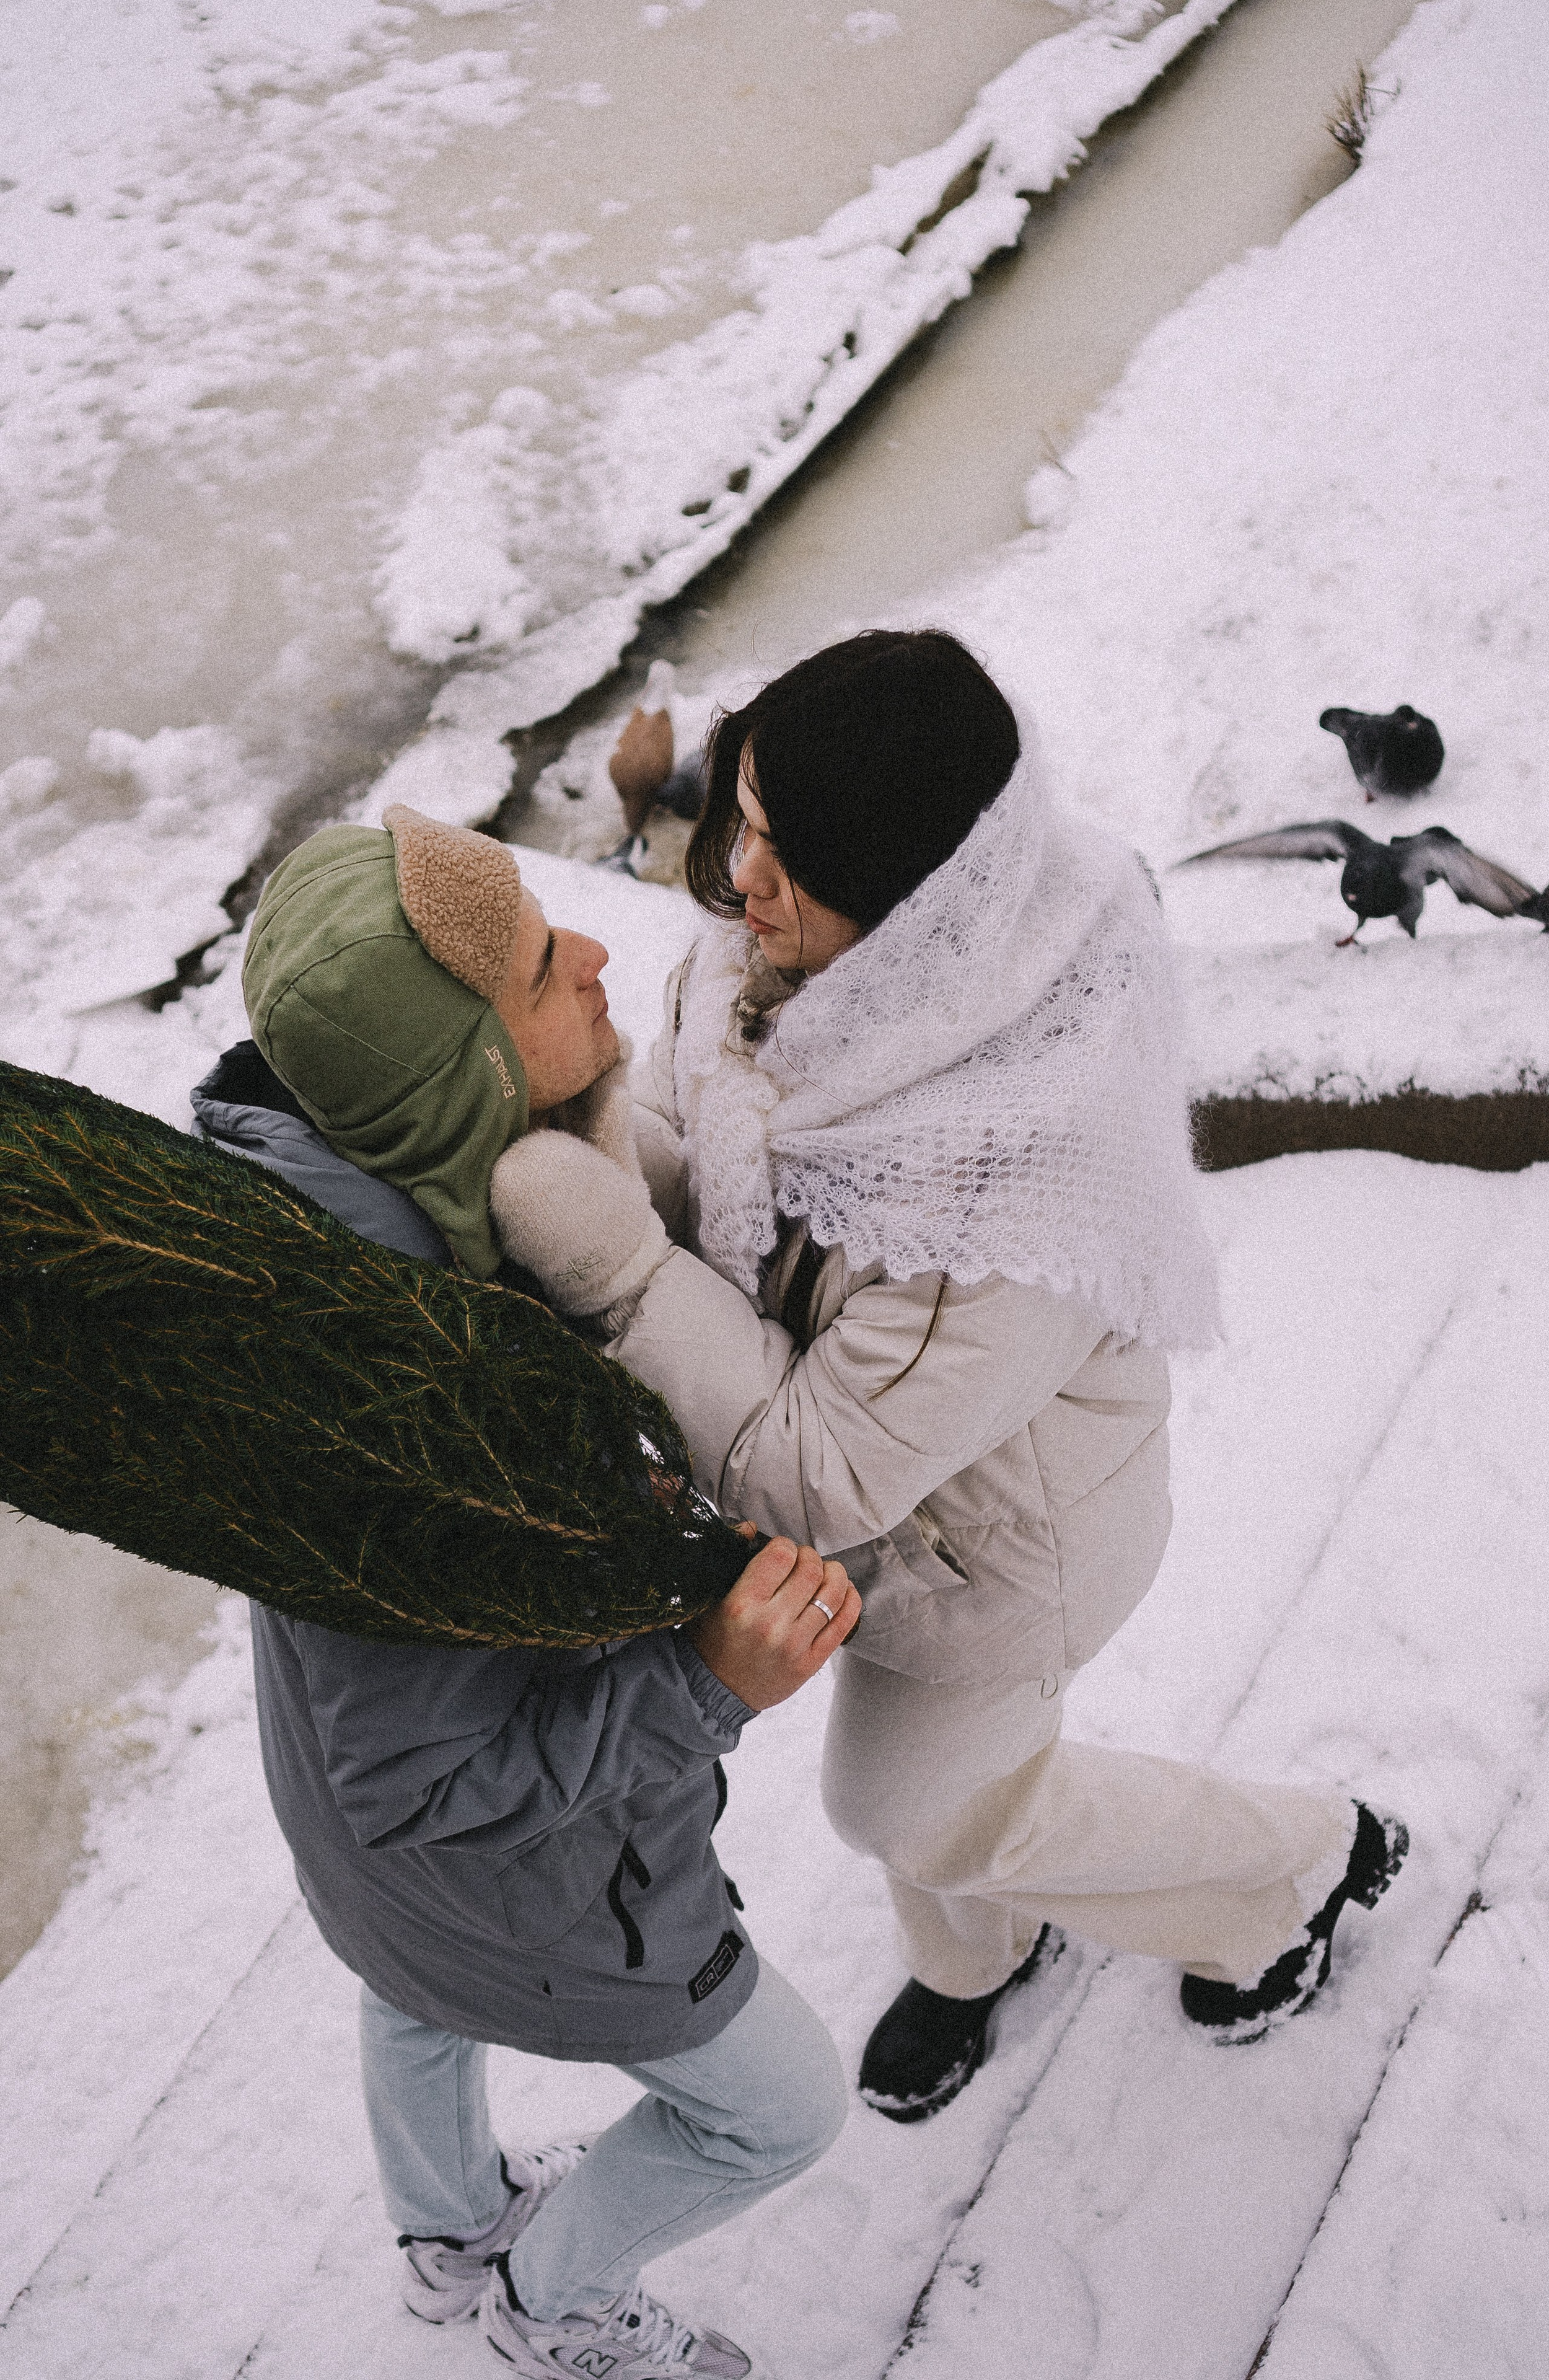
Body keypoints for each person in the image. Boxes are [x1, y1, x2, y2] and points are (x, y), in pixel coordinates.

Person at [490, 628, 1409, 2123]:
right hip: (888, 1518)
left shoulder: (1001, 1169)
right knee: (952, 1809)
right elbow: (699, 1140)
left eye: (789, 863)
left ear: (922, 914)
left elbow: (824, 1466)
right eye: (748, 827)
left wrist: (613, 1272)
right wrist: (592, 1120)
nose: (738, 886)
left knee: (906, 1801)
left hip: (1000, 1553)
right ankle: (979, 1958)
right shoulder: (793, 959)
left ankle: (1293, 1866)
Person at [194, 802, 859, 2378]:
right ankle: (549, 2306)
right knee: (779, 2110)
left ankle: (440, 2237)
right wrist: (706, 1683)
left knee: (409, 1990)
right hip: (536, 1884)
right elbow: (423, 1774)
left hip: (374, 1880)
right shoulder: (414, 1397)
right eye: (539, 973)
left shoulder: (320, 1230)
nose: (597, 951)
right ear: (454, 1086)